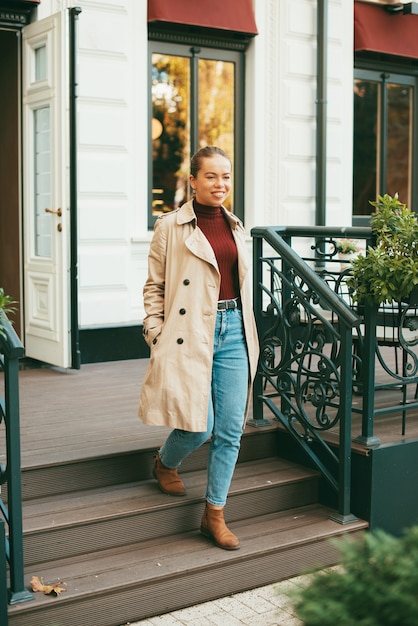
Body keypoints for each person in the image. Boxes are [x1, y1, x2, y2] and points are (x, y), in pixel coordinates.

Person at [138, 146, 259, 550]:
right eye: (211, 176)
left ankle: (214, 514)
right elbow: (154, 286)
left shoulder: (238, 226)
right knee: (198, 426)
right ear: (193, 180)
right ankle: (164, 461)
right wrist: (155, 330)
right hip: (189, 330)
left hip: (234, 330)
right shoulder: (170, 226)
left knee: (229, 430)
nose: (220, 184)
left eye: (226, 176)